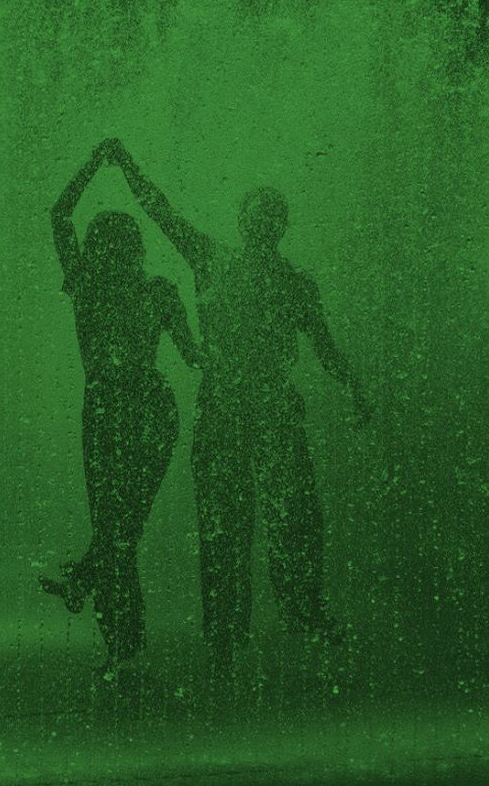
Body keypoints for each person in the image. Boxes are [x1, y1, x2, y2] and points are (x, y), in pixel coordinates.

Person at [104, 138, 370, 672]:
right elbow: (160, 212)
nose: (266, 221)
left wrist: (354, 385)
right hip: (226, 408)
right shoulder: (211, 260)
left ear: (281, 226)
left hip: (268, 406)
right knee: (226, 521)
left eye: (275, 214)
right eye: (258, 212)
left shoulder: (296, 285)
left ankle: (301, 612)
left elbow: (325, 349)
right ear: (243, 220)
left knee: (294, 515)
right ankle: (228, 631)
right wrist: (129, 165)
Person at [40, 141, 201, 679]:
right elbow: (196, 356)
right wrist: (124, 165)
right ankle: (118, 637)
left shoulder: (87, 287)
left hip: (109, 409)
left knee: (116, 524)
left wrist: (95, 163)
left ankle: (108, 621)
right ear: (136, 248)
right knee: (121, 526)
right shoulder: (157, 290)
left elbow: (60, 213)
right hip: (150, 407)